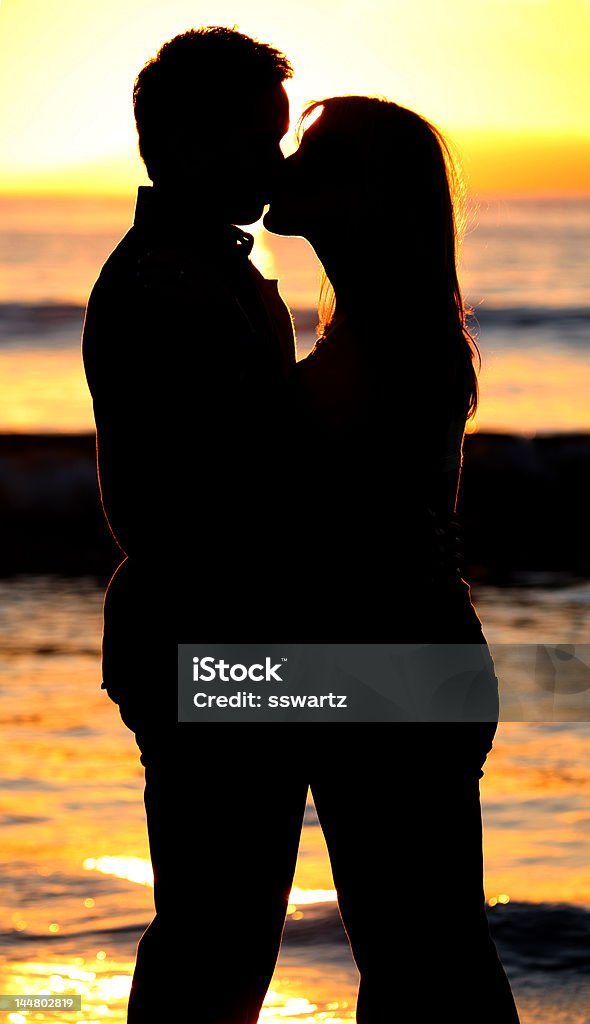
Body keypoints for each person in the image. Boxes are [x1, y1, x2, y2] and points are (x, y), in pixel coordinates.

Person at [263, 96, 522, 1022]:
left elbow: (331, 527)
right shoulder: (377, 327)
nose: (284, 162)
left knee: (427, 961)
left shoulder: (398, 338)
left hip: (392, 667)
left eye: (315, 154)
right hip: (388, 662)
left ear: (367, 195)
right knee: (419, 956)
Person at [81, 27, 299, 1022]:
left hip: (212, 635)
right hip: (203, 639)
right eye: (255, 140)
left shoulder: (206, 269)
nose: (273, 162)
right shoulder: (169, 284)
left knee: (225, 924)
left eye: (277, 138)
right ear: (180, 143)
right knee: (219, 926)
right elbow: (213, 496)